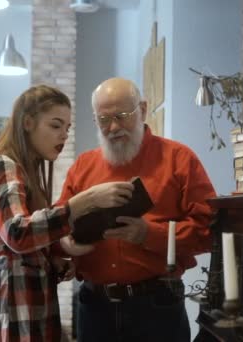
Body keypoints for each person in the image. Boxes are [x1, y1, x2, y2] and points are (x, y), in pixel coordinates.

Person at [0, 85, 135, 342]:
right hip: (8, 307)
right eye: (55, 126)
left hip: (29, 302)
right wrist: (82, 202)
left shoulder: (26, 171)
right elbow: (16, 233)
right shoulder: (3, 164)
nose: (64, 135)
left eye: (67, 128)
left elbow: (20, 245)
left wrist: (49, 260)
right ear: (28, 123)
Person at [57, 78, 216, 341]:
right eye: (103, 119)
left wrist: (148, 234)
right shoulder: (83, 166)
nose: (114, 127)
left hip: (157, 307)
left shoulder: (179, 159)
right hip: (94, 307)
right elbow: (58, 223)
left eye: (122, 116)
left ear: (142, 110)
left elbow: (209, 230)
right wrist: (66, 243)